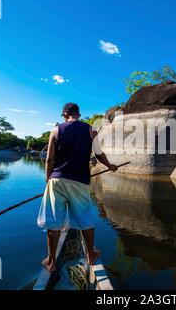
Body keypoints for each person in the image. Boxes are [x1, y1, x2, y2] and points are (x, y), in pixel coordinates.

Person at [37, 102, 117, 272]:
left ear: (65, 115)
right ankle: (90, 255)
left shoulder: (56, 130)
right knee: (85, 219)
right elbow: (99, 153)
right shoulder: (91, 130)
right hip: (80, 181)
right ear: (78, 114)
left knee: (53, 222)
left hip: (57, 180)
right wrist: (110, 166)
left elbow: (50, 159)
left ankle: (51, 261)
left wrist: (47, 179)